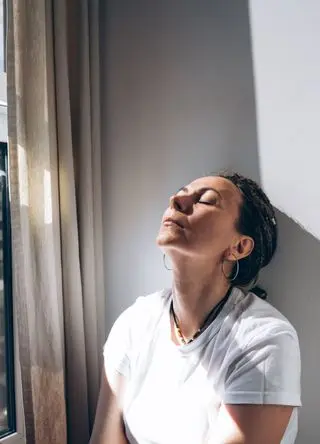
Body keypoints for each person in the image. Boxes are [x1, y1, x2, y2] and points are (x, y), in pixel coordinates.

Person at [90, 172, 301, 444]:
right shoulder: (136, 321)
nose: (176, 200)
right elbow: (102, 439)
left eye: (206, 200)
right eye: (180, 192)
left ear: (238, 246)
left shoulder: (265, 340)